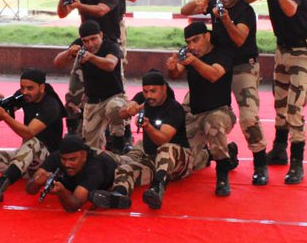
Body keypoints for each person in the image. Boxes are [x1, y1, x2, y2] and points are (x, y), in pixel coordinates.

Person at [181, 0, 268, 184]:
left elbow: (239, 40)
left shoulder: (244, 10)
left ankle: (260, 163)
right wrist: (198, 2)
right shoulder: (213, 1)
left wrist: (225, 19)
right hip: (217, 63)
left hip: (241, 65)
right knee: (190, 107)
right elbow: (185, 11)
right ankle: (218, 151)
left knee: (248, 116)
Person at [244, 0, 307, 184]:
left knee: (294, 107)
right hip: (282, 50)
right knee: (280, 102)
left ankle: (297, 162)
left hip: (302, 51)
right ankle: (278, 149)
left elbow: (290, 10)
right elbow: (247, 0)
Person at [89, 70, 191, 210]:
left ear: (164, 89)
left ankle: (157, 188)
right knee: (125, 169)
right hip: (152, 159)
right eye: (145, 91)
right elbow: (122, 113)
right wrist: (129, 109)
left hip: (178, 162)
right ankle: (119, 195)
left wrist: (147, 126)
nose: (149, 95)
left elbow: (163, 140)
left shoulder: (173, 108)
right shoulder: (144, 99)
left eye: (153, 91)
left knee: (166, 148)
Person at [166, 20, 238, 196]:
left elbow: (213, 75)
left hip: (219, 111)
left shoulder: (223, 53)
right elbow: (176, 74)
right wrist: (173, 67)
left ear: (207, 36)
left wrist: (194, 62)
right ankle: (215, 153)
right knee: (182, 166)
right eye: (188, 42)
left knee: (213, 124)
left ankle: (222, 173)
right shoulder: (190, 55)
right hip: (195, 114)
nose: (191, 45)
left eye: (195, 40)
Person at [0, 69, 66, 202]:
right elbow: (0, 116)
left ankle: (0, 185)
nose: (25, 92)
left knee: (32, 142)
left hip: (47, 160)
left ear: (42, 88)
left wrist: (5, 116)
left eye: (30, 88)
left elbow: (28, 132)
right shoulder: (23, 96)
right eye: (22, 88)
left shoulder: (51, 105)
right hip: (25, 158)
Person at [53, 20, 126, 153]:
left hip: (114, 96)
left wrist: (90, 57)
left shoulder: (111, 46)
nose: (90, 44)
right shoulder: (80, 45)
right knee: (90, 148)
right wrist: (69, 52)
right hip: (93, 101)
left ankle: (119, 143)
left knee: (115, 108)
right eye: (86, 41)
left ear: (101, 35)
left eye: (94, 39)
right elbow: (57, 62)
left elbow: (110, 64)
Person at [26, 133, 118, 212]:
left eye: (72, 159)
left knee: (129, 168)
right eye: (64, 159)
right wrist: (37, 182)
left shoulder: (94, 167)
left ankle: (118, 193)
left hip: (115, 161)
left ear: (84, 156)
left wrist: (62, 193)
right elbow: (30, 189)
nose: (67, 164)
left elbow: (74, 205)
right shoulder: (56, 158)